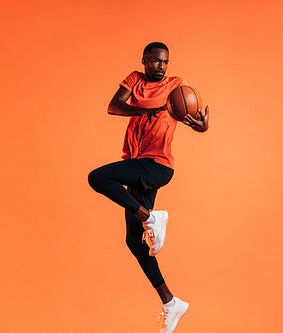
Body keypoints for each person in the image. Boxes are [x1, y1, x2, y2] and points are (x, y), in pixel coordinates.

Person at [88, 42, 209, 333]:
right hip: (136, 161)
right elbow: (114, 106)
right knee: (133, 242)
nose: (161, 67)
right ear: (145, 60)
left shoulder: (175, 86)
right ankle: (171, 303)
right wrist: (150, 109)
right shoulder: (134, 80)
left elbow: (189, 115)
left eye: (165, 62)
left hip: (157, 165)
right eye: (156, 61)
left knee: (98, 178)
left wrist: (201, 126)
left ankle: (151, 218)